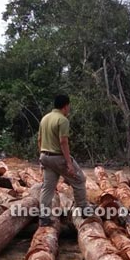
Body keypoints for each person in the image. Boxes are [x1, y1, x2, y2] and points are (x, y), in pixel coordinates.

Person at [37, 93, 88, 225]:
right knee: (79, 180)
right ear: (66, 106)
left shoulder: (45, 118)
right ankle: (83, 210)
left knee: (47, 187)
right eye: (69, 106)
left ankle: (44, 217)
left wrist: (41, 158)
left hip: (45, 156)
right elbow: (63, 142)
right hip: (58, 157)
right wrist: (69, 163)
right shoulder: (63, 120)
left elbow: (39, 140)